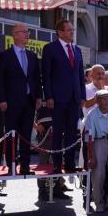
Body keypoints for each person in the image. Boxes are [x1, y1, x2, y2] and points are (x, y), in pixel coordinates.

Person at [0, 24, 42, 175]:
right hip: (11, 102)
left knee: (26, 135)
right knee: (12, 134)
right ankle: (11, 166)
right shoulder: (5, 56)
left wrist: (39, 97)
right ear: (15, 34)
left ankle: (25, 166)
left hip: (29, 101)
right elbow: (0, 80)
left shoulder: (32, 55)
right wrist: (2, 99)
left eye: (28, 32)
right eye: (24, 32)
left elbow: (37, 78)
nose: (27, 34)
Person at [42, 19, 86, 174]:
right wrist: (48, 96)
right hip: (57, 98)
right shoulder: (50, 48)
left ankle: (69, 163)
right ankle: (56, 163)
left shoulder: (77, 50)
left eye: (72, 29)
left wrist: (82, 96)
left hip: (74, 98)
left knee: (71, 133)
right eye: (69, 30)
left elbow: (80, 75)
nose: (72, 32)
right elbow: (46, 75)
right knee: (57, 132)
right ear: (60, 32)